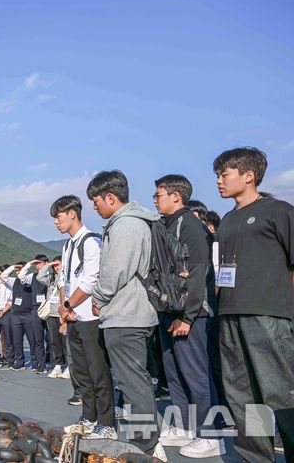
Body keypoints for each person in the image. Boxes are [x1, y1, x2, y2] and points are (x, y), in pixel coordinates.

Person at [213, 147, 294, 462]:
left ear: (249, 176)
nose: (219, 180)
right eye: (218, 175)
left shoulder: (278, 210)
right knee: (243, 395)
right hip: (230, 314)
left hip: (268, 314)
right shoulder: (228, 219)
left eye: (225, 174)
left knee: (280, 393)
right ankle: (256, 457)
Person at [87, 171, 166, 459]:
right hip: (130, 314)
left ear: (110, 197)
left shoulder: (126, 225)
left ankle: (143, 444)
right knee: (136, 382)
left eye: (96, 201)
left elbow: (115, 271)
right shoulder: (134, 222)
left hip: (126, 315)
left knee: (133, 384)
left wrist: (98, 298)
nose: (95, 207)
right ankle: (143, 438)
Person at [152, 175, 225, 458]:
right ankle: (183, 426)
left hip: (191, 314)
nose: (156, 200)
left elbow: (198, 274)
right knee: (174, 372)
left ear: (175, 196)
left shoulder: (192, 227)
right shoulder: (164, 226)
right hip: (170, 311)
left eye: (159, 195)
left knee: (197, 374)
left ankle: (212, 435)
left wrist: (187, 315)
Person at [52, 195, 115, 440]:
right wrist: (62, 308)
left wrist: (68, 304)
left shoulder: (91, 242)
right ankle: (89, 417)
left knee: (98, 370)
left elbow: (90, 281)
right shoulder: (67, 245)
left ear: (72, 214)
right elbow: (63, 281)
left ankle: (107, 422)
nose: (56, 222)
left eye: (59, 216)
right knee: (80, 372)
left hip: (90, 316)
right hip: (72, 317)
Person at [16, 255, 49, 373]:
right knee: (38, 339)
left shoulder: (51, 276)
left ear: (46, 263)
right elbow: (21, 276)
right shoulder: (33, 276)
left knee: (52, 339)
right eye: (37, 264)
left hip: (50, 308)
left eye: (39, 263)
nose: (38, 266)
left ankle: (57, 364)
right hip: (36, 308)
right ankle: (41, 365)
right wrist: (29, 264)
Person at [36, 256, 67, 378]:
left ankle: (70, 367)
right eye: (55, 266)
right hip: (51, 314)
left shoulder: (68, 277)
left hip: (64, 315)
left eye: (59, 265)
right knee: (54, 342)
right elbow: (39, 277)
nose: (57, 267)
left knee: (66, 342)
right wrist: (48, 265)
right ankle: (57, 366)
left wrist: (62, 270)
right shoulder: (51, 278)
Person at [1, 261, 34, 371]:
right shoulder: (13, 281)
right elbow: (3, 276)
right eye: (17, 270)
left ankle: (36, 362)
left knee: (32, 339)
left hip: (28, 314)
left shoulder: (29, 279)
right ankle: (20, 362)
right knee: (17, 340)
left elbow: (22, 276)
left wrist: (25, 267)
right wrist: (12, 267)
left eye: (20, 269)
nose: (18, 271)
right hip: (15, 314)